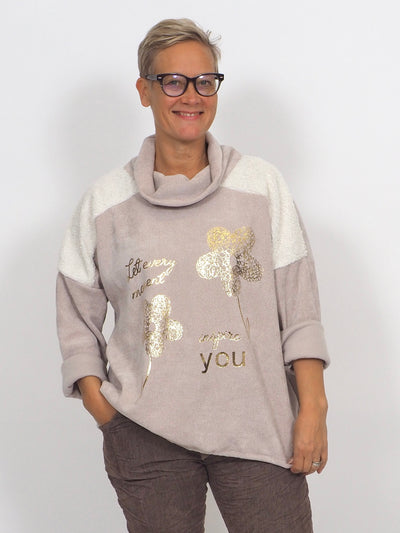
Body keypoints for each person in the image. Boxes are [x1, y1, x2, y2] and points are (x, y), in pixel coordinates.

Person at [56, 18, 329, 533]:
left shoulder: (260, 185)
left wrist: (312, 406)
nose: (191, 95)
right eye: (173, 81)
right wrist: (103, 408)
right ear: (145, 91)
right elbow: (76, 318)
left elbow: (299, 308)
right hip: (145, 436)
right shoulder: (104, 203)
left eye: (205, 81)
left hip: (258, 426)